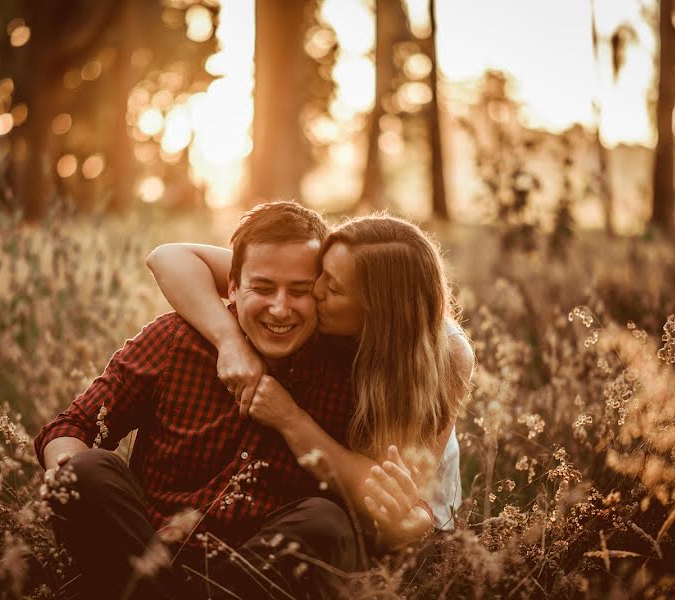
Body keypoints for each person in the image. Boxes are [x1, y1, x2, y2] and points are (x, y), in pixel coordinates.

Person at [35, 202, 363, 599]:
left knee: (327, 523)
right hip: (141, 551)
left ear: (321, 293)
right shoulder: (176, 340)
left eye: (299, 291)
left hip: (249, 578)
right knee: (81, 468)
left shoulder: (345, 375)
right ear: (232, 287)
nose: (280, 308)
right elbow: (71, 427)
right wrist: (68, 480)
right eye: (262, 288)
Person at [146, 212, 475, 554]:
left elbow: (395, 502)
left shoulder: (446, 356)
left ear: (374, 311)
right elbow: (169, 257)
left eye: (331, 287)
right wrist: (230, 341)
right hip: (328, 510)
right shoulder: (330, 290)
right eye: (321, 274)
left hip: (411, 533)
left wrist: (289, 418)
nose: (312, 291)